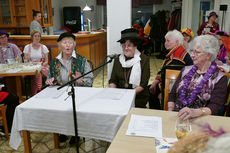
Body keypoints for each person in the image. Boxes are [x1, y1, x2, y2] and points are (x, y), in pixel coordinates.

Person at [168, 35, 227, 120]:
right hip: (177, 117)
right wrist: (170, 112)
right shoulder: (185, 70)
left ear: (208, 55)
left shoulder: (219, 78)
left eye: (197, 52)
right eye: (192, 51)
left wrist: (197, 112)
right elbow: (172, 94)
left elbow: (215, 106)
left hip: (201, 120)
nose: (192, 55)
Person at [149, 30, 193, 109]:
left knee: (149, 91)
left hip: (177, 88)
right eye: (165, 40)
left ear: (177, 42)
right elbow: (164, 70)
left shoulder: (177, 57)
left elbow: (171, 78)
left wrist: (163, 92)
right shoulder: (177, 51)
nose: (165, 43)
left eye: (168, 41)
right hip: (171, 83)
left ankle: (157, 114)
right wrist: (155, 81)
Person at [109, 28, 150, 108]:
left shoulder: (144, 59)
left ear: (135, 46)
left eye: (129, 45)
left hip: (137, 98)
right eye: (124, 45)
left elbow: (143, 84)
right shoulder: (117, 59)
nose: (126, 48)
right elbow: (113, 80)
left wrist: (128, 96)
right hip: (119, 98)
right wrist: (114, 93)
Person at [23, 30, 49, 96]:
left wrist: (40, 65)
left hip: (42, 65)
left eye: (38, 36)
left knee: (38, 72)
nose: (37, 37)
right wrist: (32, 66)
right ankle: (39, 90)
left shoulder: (44, 47)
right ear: (32, 37)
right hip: (30, 66)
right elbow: (25, 60)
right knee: (36, 72)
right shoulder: (27, 47)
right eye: (35, 36)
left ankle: (36, 92)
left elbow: (46, 61)